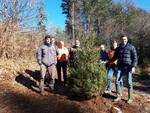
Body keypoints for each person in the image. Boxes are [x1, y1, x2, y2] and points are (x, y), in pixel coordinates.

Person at [113, 35, 138, 104]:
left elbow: (135, 58)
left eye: (125, 39)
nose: (124, 40)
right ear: (121, 40)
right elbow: (114, 57)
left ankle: (130, 98)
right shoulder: (118, 48)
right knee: (117, 81)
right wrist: (109, 62)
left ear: (127, 40)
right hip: (119, 67)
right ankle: (118, 96)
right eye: (122, 39)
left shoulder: (131, 47)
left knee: (129, 83)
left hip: (128, 67)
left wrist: (133, 66)